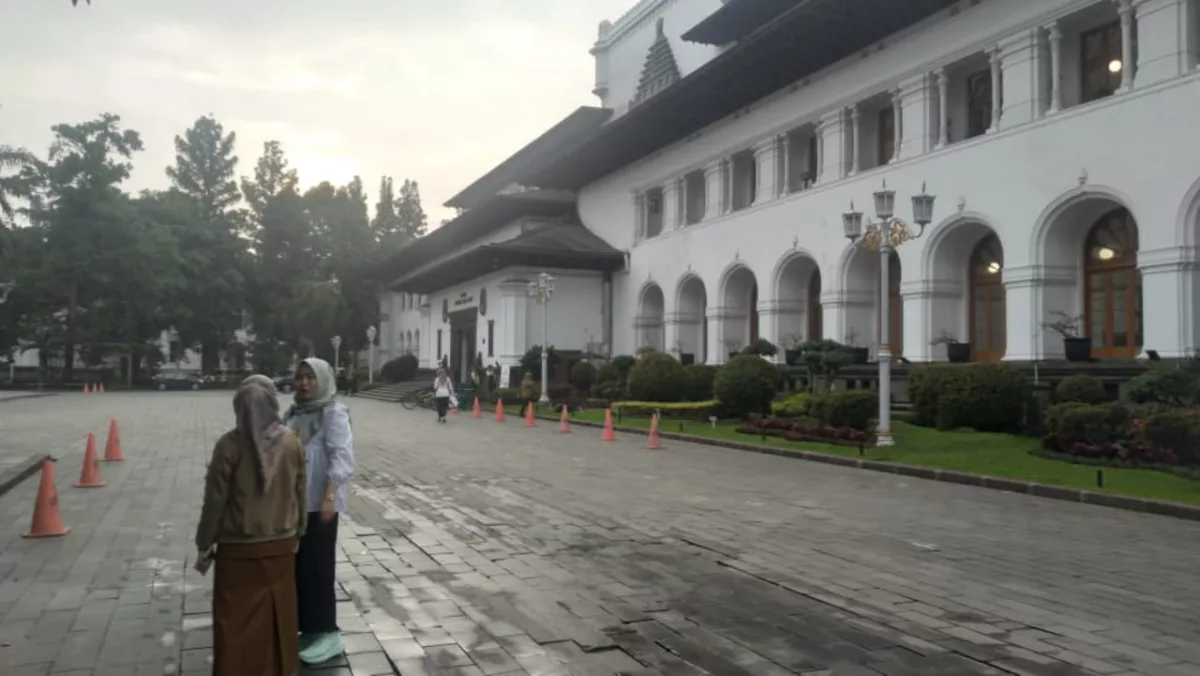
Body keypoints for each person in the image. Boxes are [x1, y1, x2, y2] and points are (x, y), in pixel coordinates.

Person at [195, 375, 307, 676]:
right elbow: (300, 491)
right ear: (273, 403)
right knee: (279, 615)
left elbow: (215, 502)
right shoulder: (291, 442)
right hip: (281, 545)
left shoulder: (228, 447)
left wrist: (204, 543)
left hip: (237, 550)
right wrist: (299, 531)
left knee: (235, 621)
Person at [282, 358, 355, 665]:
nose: (304, 383)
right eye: (300, 377)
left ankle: (329, 634)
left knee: (319, 568)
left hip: (320, 505)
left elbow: (343, 459)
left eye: (311, 377)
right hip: (295, 505)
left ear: (323, 379)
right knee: (301, 569)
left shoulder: (333, 414)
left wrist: (328, 497)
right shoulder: (292, 413)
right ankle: (310, 628)